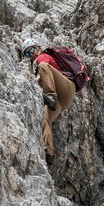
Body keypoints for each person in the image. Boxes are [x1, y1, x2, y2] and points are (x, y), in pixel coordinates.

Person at [20, 37, 76, 165]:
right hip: (62, 101)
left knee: (43, 65)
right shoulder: (37, 64)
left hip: (66, 87)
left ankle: (50, 95)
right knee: (45, 119)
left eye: (32, 50)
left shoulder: (42, 57)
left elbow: (43, 68)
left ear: (38, 47)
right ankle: (48, 152)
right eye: (27, 53)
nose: (31, 54)